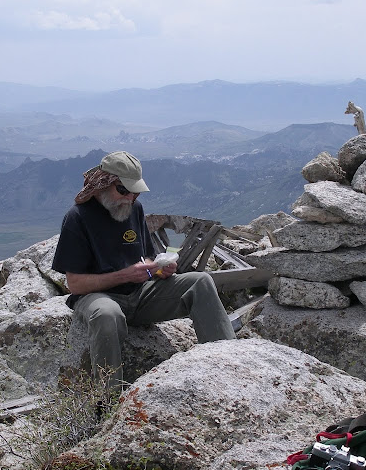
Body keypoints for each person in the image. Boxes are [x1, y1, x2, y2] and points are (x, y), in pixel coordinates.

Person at [52, 150, 236, 390]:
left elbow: (145, 257)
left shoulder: (133, 209)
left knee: (201, 282)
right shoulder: (77, 218)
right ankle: (108, 400)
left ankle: (228, 367)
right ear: (104, 183)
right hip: (99, 297)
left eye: (135, 192)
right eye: (123, 190)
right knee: (107, 315)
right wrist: (125, 275)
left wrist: (158, 269)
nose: (130, 197)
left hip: (140, 294)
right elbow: (75, 284)